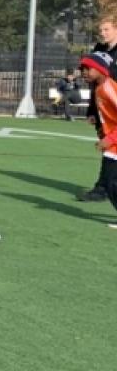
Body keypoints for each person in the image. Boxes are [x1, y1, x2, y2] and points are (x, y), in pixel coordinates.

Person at [73, 49, 117, 229]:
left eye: (88, 68)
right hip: (113, 144)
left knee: (112, 182)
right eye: (82, 69)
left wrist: (110, 138)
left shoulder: (108, 88)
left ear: (101, 69)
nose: (84, 72)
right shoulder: (99, 89)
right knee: (110, 183)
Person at [78, 16, 117, 202]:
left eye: (107, 29)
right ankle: (104, 187)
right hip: (105, 107)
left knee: (111, 145)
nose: (103, 33)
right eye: (100, 30)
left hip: (114, 101)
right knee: (109, 148)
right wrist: (92, 110)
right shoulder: (99, 50)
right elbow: (94, 84)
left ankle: (105, 186)